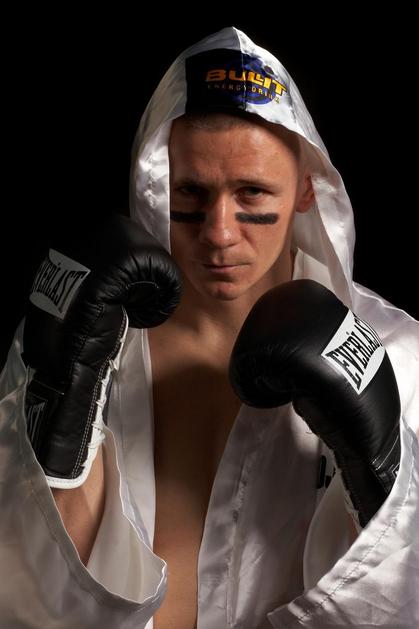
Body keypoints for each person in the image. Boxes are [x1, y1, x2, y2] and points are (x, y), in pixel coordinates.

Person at [0, 25, 418, 629]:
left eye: (252, 192)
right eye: (190, 192)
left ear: (306, 190)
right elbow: (28, 595)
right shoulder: (87, 331)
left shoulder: (392, 353)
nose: (219, 232)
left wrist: (383, 487)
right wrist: (56, 426)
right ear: (154, 186)